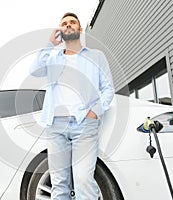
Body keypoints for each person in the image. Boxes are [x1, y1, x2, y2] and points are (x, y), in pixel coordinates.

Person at [30, 12, 114, 200]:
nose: (68, 25)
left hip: (84, 124)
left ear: (80, 29)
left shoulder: (96, 56)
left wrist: (94, 112)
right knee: (59, 184)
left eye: (72, 22)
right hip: (55, 125)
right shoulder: (53, 58)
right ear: (61, 30)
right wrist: (50, 44)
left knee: (83, 180)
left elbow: (108, 88)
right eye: (64, 23)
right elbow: (34, 70)